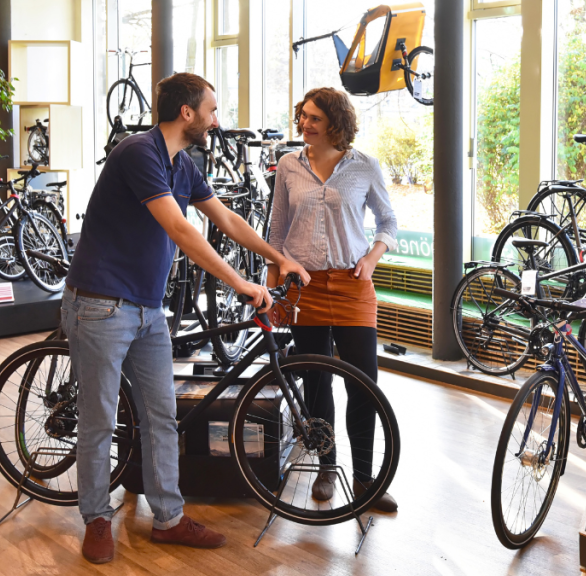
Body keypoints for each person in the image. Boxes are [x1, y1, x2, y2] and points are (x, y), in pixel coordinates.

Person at [63, 72, 310, 564]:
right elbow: (179, 228)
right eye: (212, 110)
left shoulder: (183, 164)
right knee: (98, 419)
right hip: (100, 305)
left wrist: (277, 257)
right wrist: (239, 283)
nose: (217, 119)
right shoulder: (139, 152)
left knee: (161, 415)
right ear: (187, 113)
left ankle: (169, 519)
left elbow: (227, 220)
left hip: (146, 310)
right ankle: (95, 517)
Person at [266, 87, 398, 512]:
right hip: (303, 287)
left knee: (364, 384)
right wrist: (274, 288)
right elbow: (276, 230)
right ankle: (327, 465)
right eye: (302, 115)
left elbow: (388, 220)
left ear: (336, 123)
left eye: (314, 119)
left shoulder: (365, 167)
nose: (304, 124)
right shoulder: (288, 165)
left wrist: (374, 258)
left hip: (352, 284)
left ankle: (364, 479)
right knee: (316, 381)